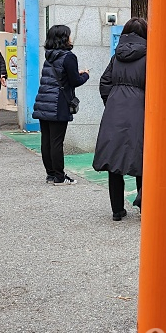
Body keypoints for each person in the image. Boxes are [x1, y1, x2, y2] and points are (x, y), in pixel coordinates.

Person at [92, 18, 147, 221]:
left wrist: (113, 101)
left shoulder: (117, 56)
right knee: (143, 159)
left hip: (115, 111)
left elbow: (104, 82)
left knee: (114, 162)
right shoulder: (149, 55)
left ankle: (117, 211)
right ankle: (144, 208)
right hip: (141, 112)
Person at [32, 25, 90, 186]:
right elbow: (75, 81)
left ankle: (50, 174)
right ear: (64, 38)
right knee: (57, 142)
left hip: (44, 102)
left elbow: (60, 76)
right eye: (69, 36)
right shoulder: (68, 57)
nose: (71, 38)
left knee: (47, 140)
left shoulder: (49, 56)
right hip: (58, 104)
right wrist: (85, 75)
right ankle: (59, 176)